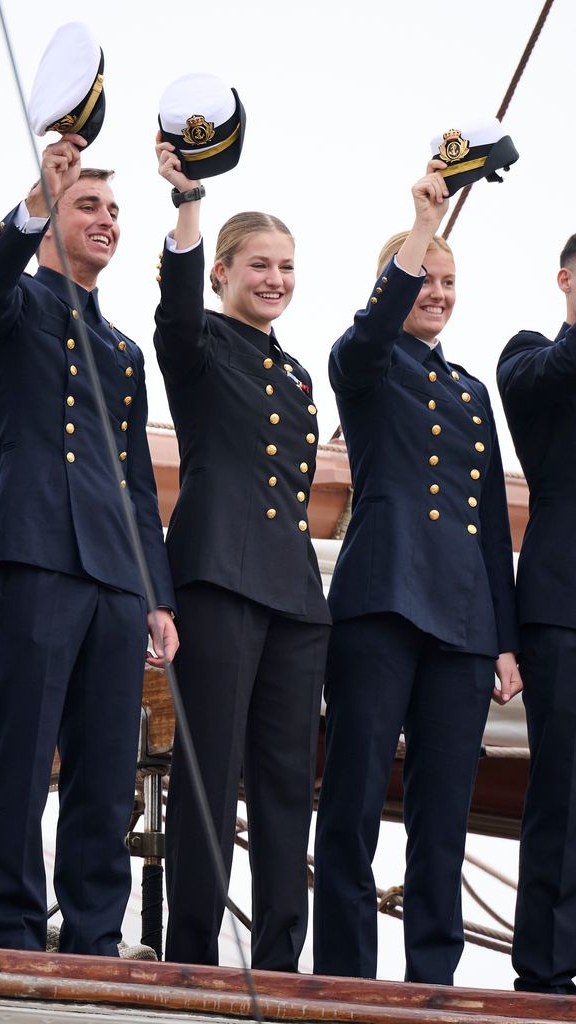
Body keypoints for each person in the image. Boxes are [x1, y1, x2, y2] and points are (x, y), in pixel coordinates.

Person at [0, 134, 178, 957]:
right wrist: (35, 197)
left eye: (115, 210)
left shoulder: (121, 350)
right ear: (51, 217)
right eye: (88, 205)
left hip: (116, 580)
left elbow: (135, 484)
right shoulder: (13, 306)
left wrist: (157, 595)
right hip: (39, 555)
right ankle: (11, 928)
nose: (106, 221)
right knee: (22, 749)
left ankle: (92, 933)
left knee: (104, 764)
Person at [313, 160, 521, 986]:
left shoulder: (471, 394)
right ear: (394, 285)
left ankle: (433, 977)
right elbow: (368, 336)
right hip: (380, 604)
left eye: (448, 281)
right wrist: (424, 223)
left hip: (465, 626)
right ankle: (346, 974)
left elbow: (488, 530)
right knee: (356, 797)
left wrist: (504, 642)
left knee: (444, 814)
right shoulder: (365, 364)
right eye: (424, 278)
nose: (437, 291)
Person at [154, 135, 331, 971]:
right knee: (207, 779)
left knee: (287, 785)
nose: (275, 280)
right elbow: (175, 313)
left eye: (287, 267)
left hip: (295, 597)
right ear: (223, 271)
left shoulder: (297, 375)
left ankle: (279, 964)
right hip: (217, 576)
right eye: (259, 264)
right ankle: (190, 957)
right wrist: (191, 204)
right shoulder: (198, 345)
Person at [497, 234, 576, 995]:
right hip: (564, 608)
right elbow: (552, 375)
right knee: (564, 789)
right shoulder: (530, 357)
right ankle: (547, 970)